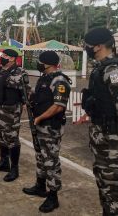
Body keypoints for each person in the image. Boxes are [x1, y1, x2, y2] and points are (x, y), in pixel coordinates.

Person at [82, 28, 118, 216]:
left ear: (98, 46)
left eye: (87, 45)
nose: (85, 48)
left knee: (113, 185)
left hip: (111, 136)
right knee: (103, 181)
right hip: (101, 134)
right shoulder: (101, 68)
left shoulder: (114, 70)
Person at [22, 51, 71, 213]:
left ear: (48, 63)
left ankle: (53, 196)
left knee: (51, 161)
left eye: (40, 61)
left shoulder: (60, 80)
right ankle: (40, 186)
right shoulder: (44, 78)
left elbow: (58, 106)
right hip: (40, 125)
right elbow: (38, 97)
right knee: (40, 156)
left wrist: (39, 118)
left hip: (50, 127)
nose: (38, 63)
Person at [0, 49, 27, 182]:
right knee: (1, 136)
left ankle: (14, 168)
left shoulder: (20, 72)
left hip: (11, 110)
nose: (2, 57)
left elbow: (22, 90)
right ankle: (4, 162)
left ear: (12, 58)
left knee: (12, 138)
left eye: (4, 56)